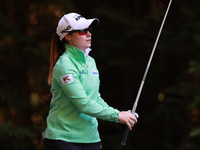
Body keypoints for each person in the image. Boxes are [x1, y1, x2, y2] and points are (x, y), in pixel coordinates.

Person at [43, 12, 138, 150]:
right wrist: (117, 116)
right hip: (63, 139)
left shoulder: (91, 62)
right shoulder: (65, 64)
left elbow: (95, 98)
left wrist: (120, 114)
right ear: (67, 36)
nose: (89, 34)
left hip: (91, 138)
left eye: (89, 30)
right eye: (82, 30)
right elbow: (83, 104)